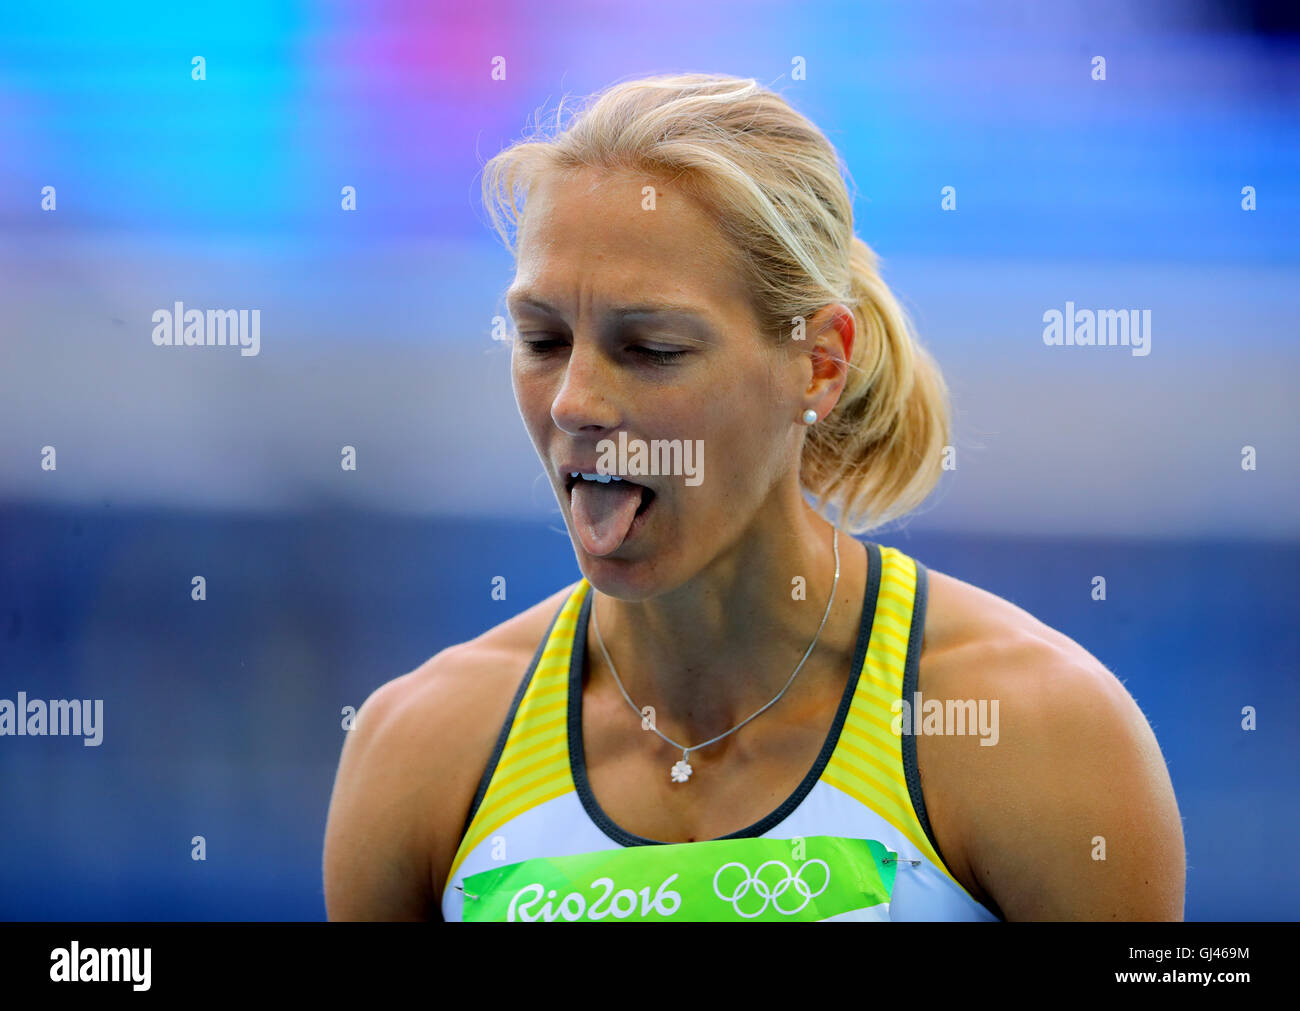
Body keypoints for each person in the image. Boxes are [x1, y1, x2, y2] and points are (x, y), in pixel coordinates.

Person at [323, 73, 1185, 921]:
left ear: (819, 363)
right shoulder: (421, 749)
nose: (573, 402)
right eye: (543, 339)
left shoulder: (1038, 733)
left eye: (652, 347)